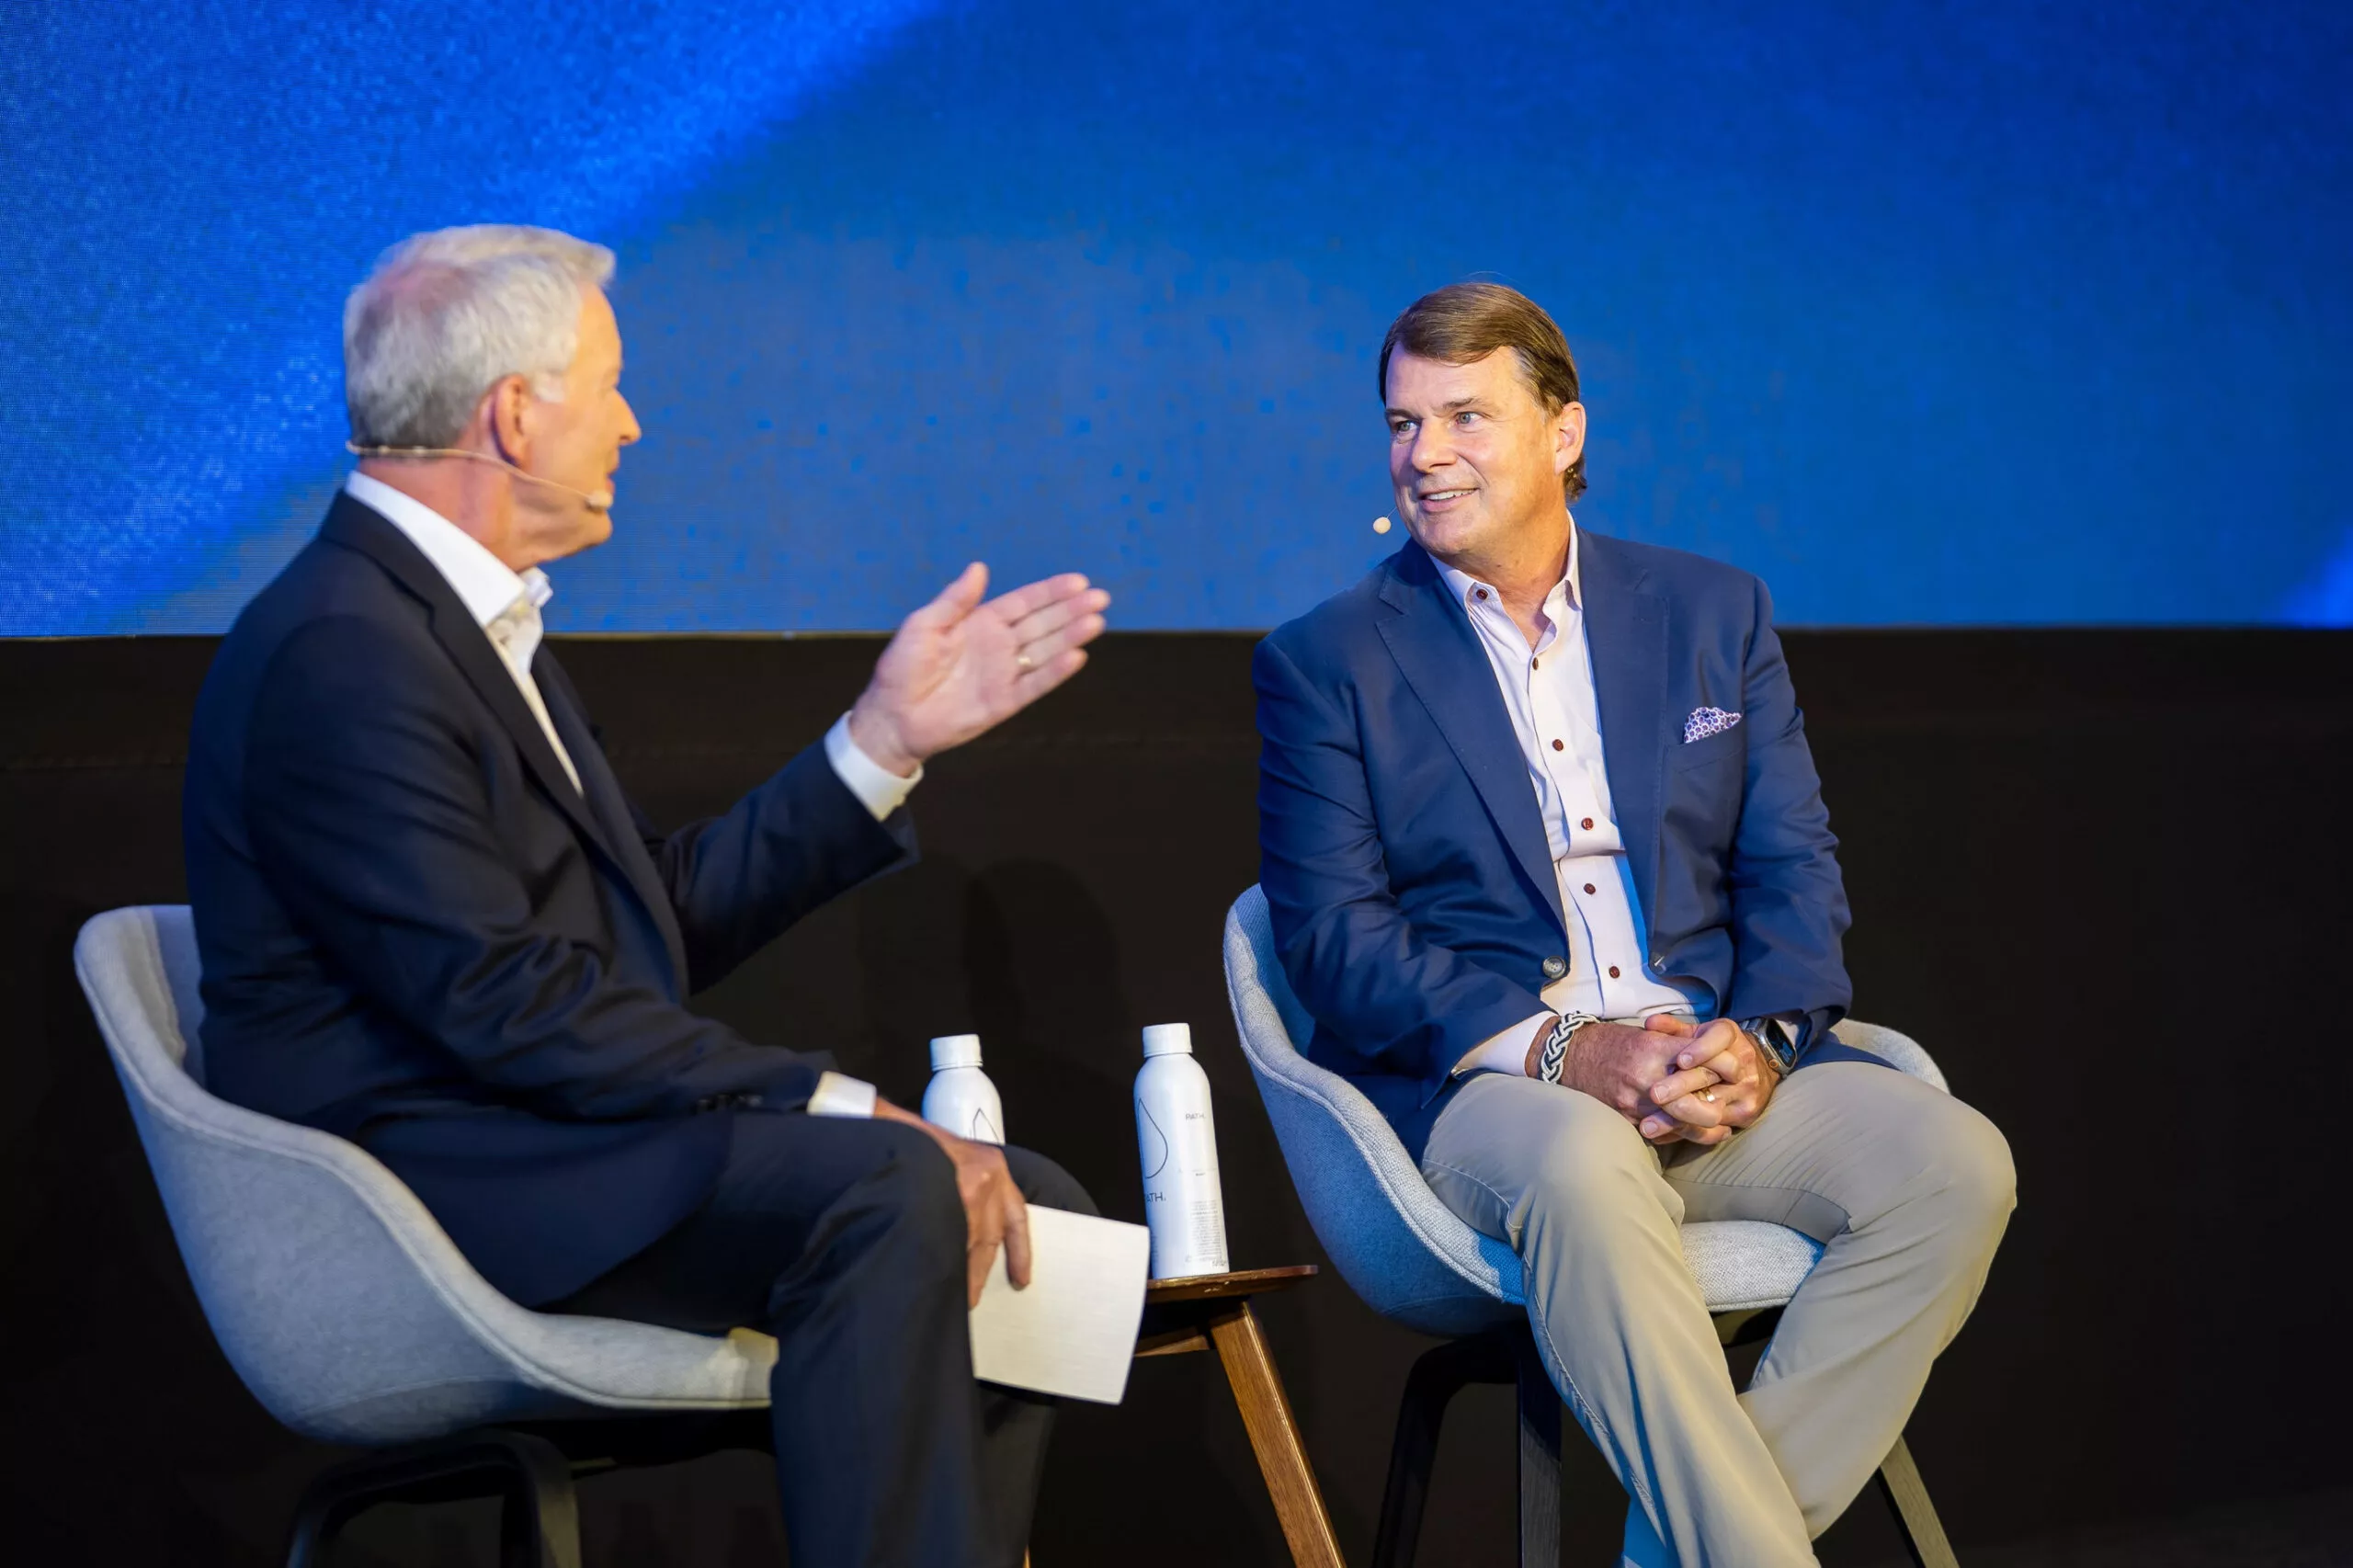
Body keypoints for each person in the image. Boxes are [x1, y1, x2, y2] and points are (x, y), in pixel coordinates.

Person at [184, 224, 1111, 1567]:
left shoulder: (459, 628)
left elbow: (635, 926)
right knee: (886, 1185)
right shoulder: (344, 649)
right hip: (433, 1187)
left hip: (548, 1134)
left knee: (1039, 1209)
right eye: (609, 386)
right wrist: (835, 1101)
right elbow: (501, 999)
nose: (631, 423)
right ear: (514, 415)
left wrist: (881, 743)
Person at [1254, 282, 2015, 1565]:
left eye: (1464, 417)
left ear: (1564, 432)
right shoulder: (1327, 660)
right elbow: (1334, 940)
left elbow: (1793, 867)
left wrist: (1761, 1043)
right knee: (1586, 1169)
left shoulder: (1712, 612)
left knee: (1955, 1165)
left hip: (1707, 1066)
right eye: (1402, 423)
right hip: (1501, 1093)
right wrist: (1570, 1052)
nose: (1423, 454)